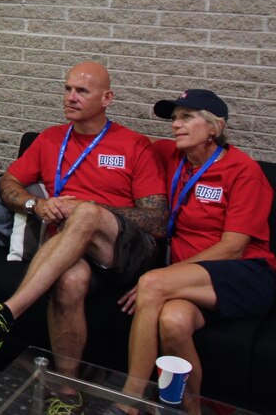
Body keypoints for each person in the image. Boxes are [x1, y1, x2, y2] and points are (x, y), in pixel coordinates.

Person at [0, 61, 168, 415]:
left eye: (82, 91)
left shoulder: (134, 144)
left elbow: (157, 220)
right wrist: (36, 204)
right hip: (72, 252)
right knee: (69, 279)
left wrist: (88, 208)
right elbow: (8, 184)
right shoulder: (50, 139)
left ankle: (5, 315)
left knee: (88, 212)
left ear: (107, 98)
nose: (71, 97)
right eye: (67, 89)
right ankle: (66, 391)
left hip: (124, 250)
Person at [111, 90, 276, 415]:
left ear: (214, 127)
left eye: (187, 117)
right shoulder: (171, 157)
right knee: (173, 321)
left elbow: (233, 247)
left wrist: (165, 277)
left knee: (152, 285)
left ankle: (128, 403)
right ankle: (191, 409)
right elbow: (124, 144)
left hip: (246, 275)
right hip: (193, 279)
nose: (176, 125)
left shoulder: (243, 171)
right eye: (174, 119)